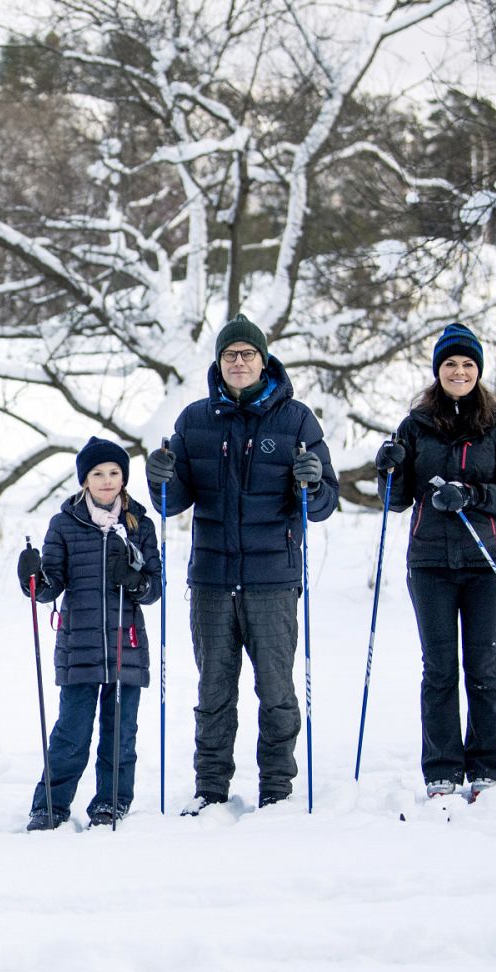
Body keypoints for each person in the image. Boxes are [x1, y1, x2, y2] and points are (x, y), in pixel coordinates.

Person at [145, 313, 339, 814]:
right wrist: (159, 478)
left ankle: (277, 785)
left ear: (263, 360)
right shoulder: (194, 420)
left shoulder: (296, 420)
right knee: (213, 692)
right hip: (211, 580)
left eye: (247, 354)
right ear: (218, 362)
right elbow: (172, 504)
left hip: (272, 581)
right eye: (230, 354)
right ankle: (210, 788)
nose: (238, 362)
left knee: (276, 691)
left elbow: (322, 505)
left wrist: (312, 481)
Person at [375, 323, 496, 800]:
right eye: (450, 364)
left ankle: (486, 766)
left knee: (482, 666)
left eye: (467, 364)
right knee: (439, 668)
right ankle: (442, 769)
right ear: (437, 371)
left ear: (477, 371)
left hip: (485, 563)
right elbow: (396, 500)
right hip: (430, 565)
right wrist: (389, 466)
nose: (459, 371)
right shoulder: (415, 425)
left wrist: (473, 494)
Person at [15, 437, 162, 831]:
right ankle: (50, 805)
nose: (107, 480)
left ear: (124, 478)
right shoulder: (64, 524)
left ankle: (111, 802)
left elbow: (154, 589)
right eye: (98, 473)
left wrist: (133, 580)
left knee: (120, 734)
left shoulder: (139, 525)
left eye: (114, 473)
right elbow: (50, 586)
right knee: (71, 733)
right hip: (79, 644)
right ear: (84, 480)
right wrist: (33, 579)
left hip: (125, 644)